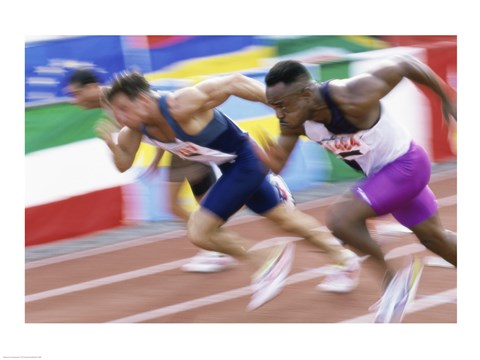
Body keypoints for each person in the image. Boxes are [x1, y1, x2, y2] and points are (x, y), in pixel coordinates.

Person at [102, 70, 361, 311]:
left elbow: (234, 82)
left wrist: (279, 106)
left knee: (200, 230)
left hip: (246, 158)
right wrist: (112, 147)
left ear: (144, 100)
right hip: (228, 165)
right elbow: (124, 164)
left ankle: (267, 260)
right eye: (116, 113)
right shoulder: (134, 130)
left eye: (124, 109)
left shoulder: (181, 104)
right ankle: (344, 259)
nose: (121, 118)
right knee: (285, 219)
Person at [260, 56, 457, 321]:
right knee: (436, 238)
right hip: (383, 178)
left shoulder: (353, 94)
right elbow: (277, 163)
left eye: (282, 105)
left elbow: (404, 64)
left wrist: (444, 97)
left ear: (306, 93)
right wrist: (260, 158)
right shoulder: (294, 121)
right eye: (274, 107)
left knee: (342, 220)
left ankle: (396, 279)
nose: (279, 114)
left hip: (407, 165)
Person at [67, 68, 237, 273]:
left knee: (181, 205)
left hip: (182, 145)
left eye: (76, 94)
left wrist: (159, 155)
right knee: (189, 204)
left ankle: (216, 246)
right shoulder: (113, 100)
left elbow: (157, 116)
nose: (75, 101)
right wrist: (155, 158)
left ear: (91, 87)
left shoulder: (117, 98)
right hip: (176, 146)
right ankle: (215, 245)